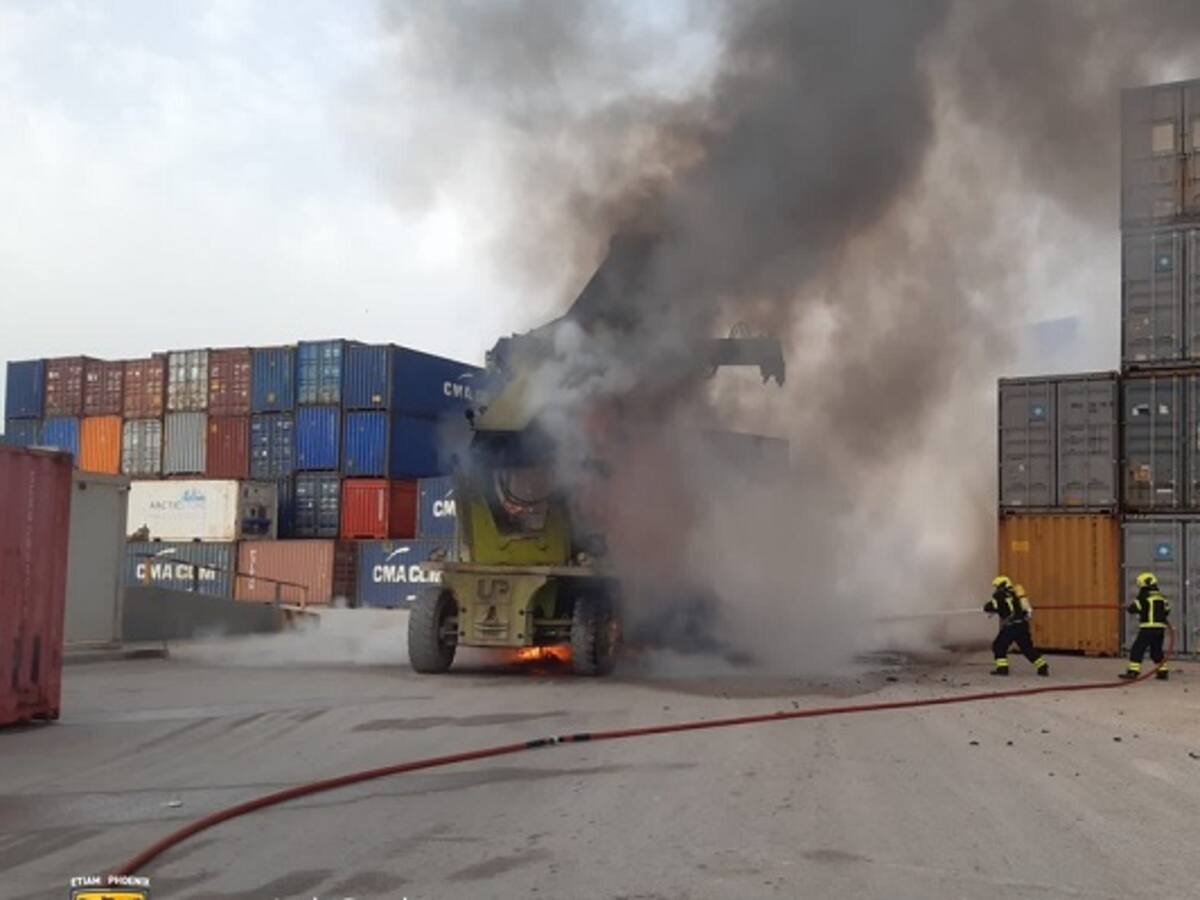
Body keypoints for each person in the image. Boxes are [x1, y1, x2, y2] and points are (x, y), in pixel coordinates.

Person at [984, 576, 1049, 677]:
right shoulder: (1016, 594)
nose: (996, 588)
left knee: (998, 646)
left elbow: (990, 607)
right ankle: (1042, 666)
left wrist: (988, 608)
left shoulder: (999, 595)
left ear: (1003, 585)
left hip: (1011, 626)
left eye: (997, 586)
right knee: (1027, 648)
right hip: (1022, 625)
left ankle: (1002, 668)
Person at [1119, 572, 1170, 681]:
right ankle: (1163, 671)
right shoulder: (1161, 596)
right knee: (1156, 651)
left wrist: (1127, 607)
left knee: (1137, 649)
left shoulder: (1143, 596)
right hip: (1160, 629)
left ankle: (1133, 671)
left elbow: (1134, 608)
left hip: (1148, 628)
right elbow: (1167, 610)